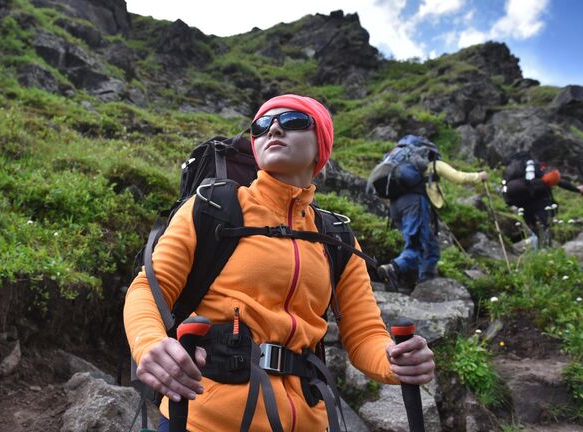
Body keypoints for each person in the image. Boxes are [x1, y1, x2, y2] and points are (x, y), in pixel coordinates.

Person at [123, 95, 435, 432]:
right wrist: (150, 344)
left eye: (293, 120)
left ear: (321, 145)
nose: (273, 128)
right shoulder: (212, 206)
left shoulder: (337, 236)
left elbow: (364, 336)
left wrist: (394, 361)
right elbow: (149, 289)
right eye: (261, 125)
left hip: (310, 422)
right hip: (205, 418)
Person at [377, 136, 488, 289]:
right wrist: (479, 176)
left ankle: (424, 280)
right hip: (414, 204)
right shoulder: (432, 164)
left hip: (395, 206)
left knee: (430, 245)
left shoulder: (399, 164)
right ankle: (394, 268)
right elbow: (459, 177)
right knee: (417, 245)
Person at [504, 156, 583, 248]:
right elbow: (556, 181)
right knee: (544, 228)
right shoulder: (536, 167)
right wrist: (576, 189)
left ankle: (538, 253)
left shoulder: (514, 173)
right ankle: (545, 252)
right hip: (542, 203)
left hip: (524, 205)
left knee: (535, 230)